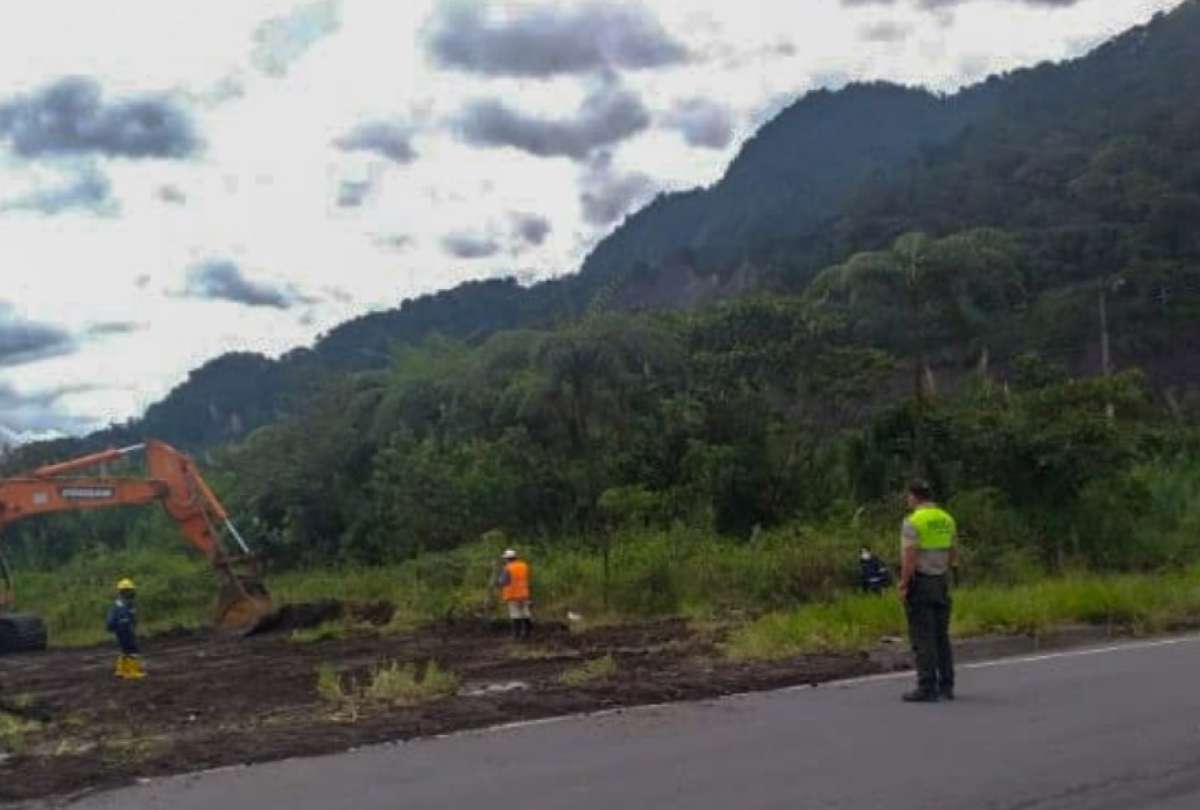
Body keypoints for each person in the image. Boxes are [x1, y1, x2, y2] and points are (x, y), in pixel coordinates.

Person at [897, 481, 957, 702]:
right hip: (941, 580)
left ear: (913, 497)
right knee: (941, 636)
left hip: (921, 582)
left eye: (908, 496)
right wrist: (944, 570)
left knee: (923, 637)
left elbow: (910, 555)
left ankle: (926, 687)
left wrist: (903, 583)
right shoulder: (946, 519)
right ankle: (947, 685)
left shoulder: (913, 521)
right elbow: (953, 551)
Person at [106, 578, 145, 680]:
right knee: (132, 650)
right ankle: (132, 672)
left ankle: (121, 671)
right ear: (124, 591)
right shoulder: (121, 605)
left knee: (124, 650)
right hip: (124, 630)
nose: (132, 592)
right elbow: (115, 620)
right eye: (130, 590)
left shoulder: (125, 603)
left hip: (124, 630)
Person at [495, 549, 533, 639]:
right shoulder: (524, 566)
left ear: (507, 559)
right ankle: (528, 633)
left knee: (515, 614)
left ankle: (517, 634)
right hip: (524, 594)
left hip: (513, 595)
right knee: (525, 613)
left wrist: (498, 581)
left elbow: (502, 581)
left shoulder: (507, 568)